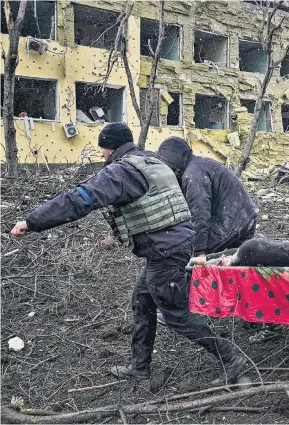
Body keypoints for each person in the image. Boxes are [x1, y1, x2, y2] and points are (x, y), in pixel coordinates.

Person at [10, 123, 246, 386]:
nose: (101, 155)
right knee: (142, 300)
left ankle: (231, 357)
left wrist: (32, 222)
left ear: (110, 148)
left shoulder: (122, 172)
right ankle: (139, 367)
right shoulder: (150, 160)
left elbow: (80, 199)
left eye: (102, 150)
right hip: (173, 244)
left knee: (175, 313)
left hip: (166, 249)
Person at [157, 136, 259, 264]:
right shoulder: (198, 165)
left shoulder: (193, 176)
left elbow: (199, 217)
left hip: (232, 223)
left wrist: (198, 255)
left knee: (192, 258)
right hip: (243, 218)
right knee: (233, 266)